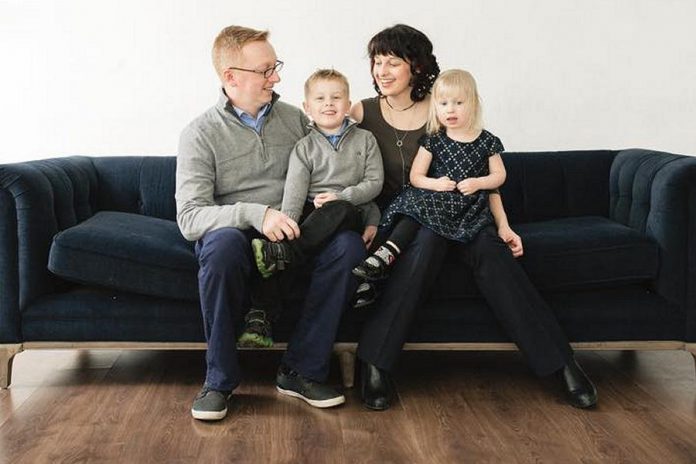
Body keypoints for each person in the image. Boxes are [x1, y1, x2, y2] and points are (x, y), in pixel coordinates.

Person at [351, 24, 597, 411]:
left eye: (392, 62)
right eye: (376, 62)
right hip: (408, 221)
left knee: (494, 255)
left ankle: (561, 364)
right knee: (422, 253)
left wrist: (504, 225)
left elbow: (483, 174)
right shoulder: (360, 111)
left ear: (415, 66)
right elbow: (330, 149)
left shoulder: (445, 103)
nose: (381, 71)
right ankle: (374, 363)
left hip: (466, 212)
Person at [176, 26, 365, 421]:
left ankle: (301, 370)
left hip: (296, 232)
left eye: (275, 67)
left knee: (348, 245)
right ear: (232, 77)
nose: (276, 78)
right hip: (238, 234)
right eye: (266, 70)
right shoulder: (199, 134)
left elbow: (335, 154)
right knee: (222, 246)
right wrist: (256, 214)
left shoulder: (296, 120)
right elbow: (191, 217)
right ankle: (218, 381)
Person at [239, 68, 383, 348]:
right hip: (315, 216)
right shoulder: (304, 147)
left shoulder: (365, 140)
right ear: (307, 108)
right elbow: (294, 193)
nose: (328, 103)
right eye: (320, 98)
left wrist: (342, 196)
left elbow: (375, 182)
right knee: (289, 238)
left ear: (348, 103)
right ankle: (260, 318)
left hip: (351, 211)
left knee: (339, 210)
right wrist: (286, 228)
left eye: (336, 97)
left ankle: (284, 254)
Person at [353, 70, 505, 280]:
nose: (450, 109)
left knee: (426, 216)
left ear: (474, 104)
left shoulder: (487, 141)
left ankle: (382, 263)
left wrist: (478, 182)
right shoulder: (433, 140)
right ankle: (384, 254)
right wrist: (435, 184)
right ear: (435, 107)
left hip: (467, 207)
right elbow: (416, 177)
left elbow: (499, 176)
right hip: (435, 198)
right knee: (415, 211)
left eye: (459, 103)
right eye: (443, 104)